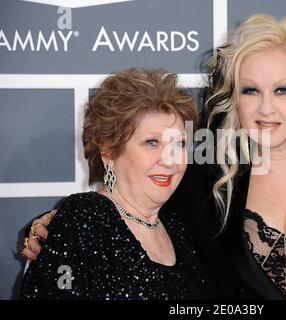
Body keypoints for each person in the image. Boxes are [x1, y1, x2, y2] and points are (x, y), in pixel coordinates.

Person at [22, 15, 286, 300]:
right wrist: (47, 228)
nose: (266, 108)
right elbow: (128, 217)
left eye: (283, 90)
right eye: (250, 91)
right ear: (234, 100)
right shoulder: (198, 182)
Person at [19, 68, 214, 299]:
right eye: (152, 142)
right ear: (108, 150)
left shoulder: (178, 227)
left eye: (179, 144)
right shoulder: (83, 219)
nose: (170, 159)